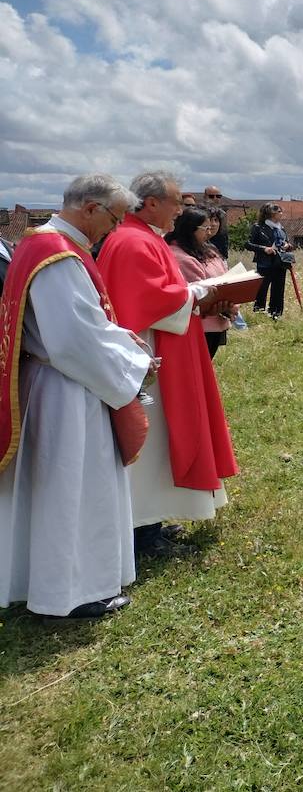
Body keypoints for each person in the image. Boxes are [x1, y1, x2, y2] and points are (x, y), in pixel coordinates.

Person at [0, 174, 152, 618]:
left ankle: (40, 581)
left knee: (48, 488)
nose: (114, 228)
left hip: (49, 380)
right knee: (74, 488)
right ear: (89, 208)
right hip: (69, 390)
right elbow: (72, 341)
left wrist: (117, 338)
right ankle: (73, 591)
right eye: (113, 217)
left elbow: (77, 326)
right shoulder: (58, 257)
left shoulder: (35, 243)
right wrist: (133, 363)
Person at [98, 171, 237, 558]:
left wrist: (199, 296)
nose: (183, 209)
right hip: (154, 359)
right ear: (152, 202)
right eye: (177, 201)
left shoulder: (143, 237)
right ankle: (143, 532)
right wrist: (200, 292)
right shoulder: (131, 241)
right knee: (156, 439)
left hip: (167, 350)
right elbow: (148, 300)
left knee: (165, 440)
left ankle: (153, 520)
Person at [167, 208, 235, 358]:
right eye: (205, 228)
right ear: (190, 229)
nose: (209, 232)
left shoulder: (209, 249)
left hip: (217, 321)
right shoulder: (181, 256)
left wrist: (232, 303)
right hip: (200, 326)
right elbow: (197, 293)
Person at [247, 203, 295, 318]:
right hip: (265, 263)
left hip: (280, 262)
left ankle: (276, 313)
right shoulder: (258, 227)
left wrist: (288, 245)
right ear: (271, 213)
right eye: (279, 211)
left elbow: (287, 242)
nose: (281, 214)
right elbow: (248, 244)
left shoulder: (281, 228)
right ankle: (259, 312)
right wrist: (264, 249)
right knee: (262, 289)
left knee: (279, 289)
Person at [202, 186, 230, 257]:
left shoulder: (222, 214)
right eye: (211, 196)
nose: (215, 199)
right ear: (205, 197)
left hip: (221, 254)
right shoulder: (200, 213)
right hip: (206, 253)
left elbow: (224, 234)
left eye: (218, 196)